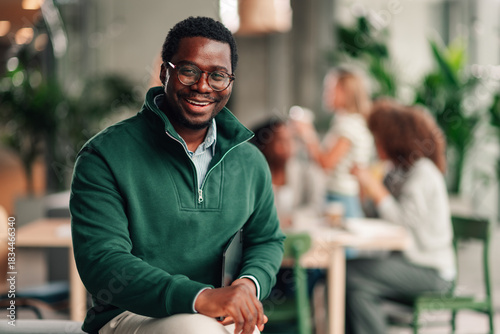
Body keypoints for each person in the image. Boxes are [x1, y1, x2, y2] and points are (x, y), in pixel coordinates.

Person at [70, 16, 285, 334]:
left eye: (218, 76)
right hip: (129, 315)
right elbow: (103, 262)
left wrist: (246, 288)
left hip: (218, 314)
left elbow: (266, 240)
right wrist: (201, 297)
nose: (202, 86)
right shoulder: (104, 155)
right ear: (164, 73)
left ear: (230, 82)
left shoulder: (250, 160)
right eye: (189, 71)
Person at [346, 99, 456, 334]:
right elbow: (378, 219)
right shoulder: (396, 173)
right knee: (355, 287)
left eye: (377, 138)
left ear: (392, 139)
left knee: (350, 273)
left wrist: (377, 191)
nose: (374, 145)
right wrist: (365, 192)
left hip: (430, 270)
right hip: (404, 264)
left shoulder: (423, 173)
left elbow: (403, 224)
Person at [293, 68, 374, 219]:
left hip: (341, 198)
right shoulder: (352, 121)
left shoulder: (348, 125)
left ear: (345, 92)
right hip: (345, 196)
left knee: (342, 242)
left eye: (331, 89)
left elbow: (326, 163)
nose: (325, 94)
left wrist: (308, 133)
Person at [250, 118, 325, 228]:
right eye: (281, 141)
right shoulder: (254, 176)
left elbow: (317, 207)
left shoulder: (305, 172)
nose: (288, 146)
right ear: (264, 146)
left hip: (299, 233)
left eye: (291, 140)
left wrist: (293, 218)